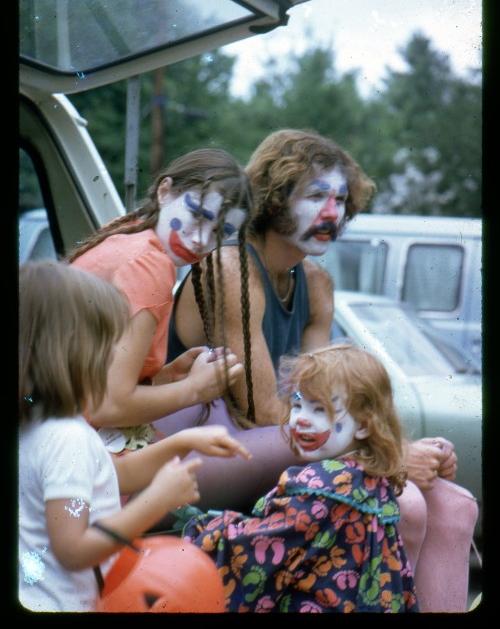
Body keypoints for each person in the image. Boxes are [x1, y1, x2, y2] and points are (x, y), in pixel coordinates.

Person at [156, 129, 478, 612]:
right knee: (404, 500)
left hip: (278, 445)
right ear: (273, 197)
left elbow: (329, 396)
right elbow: (263, 412)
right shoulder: (229, 269)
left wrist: (394, 449)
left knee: (456, 507)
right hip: (207, 449)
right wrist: (389, 455)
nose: (333, 213)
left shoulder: (317, 282)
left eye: (341, 199)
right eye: (316, 196)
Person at [18, 260, 251, 612]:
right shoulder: (66, 439)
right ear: (68, 355)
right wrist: (154, 502)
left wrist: (182, 443)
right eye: (107, 353)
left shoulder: (41, 425)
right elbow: (73, 550)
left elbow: (111, 475)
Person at [183, 344, 419, 613]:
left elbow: (260, 548)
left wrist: (208, 530)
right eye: (297, 405)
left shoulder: (320, 488)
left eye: (320, 410)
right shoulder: (370, 480)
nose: (302, 420)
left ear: (364, 425)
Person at [66, 148, 254, 451]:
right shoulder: (150, 265)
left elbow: (93, 380)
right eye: (197, 215)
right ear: (165, 191)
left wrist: (168, 377)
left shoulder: (127, 233)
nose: (201, 240)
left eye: (221, 232)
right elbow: (107, 405)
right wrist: (194, 390)